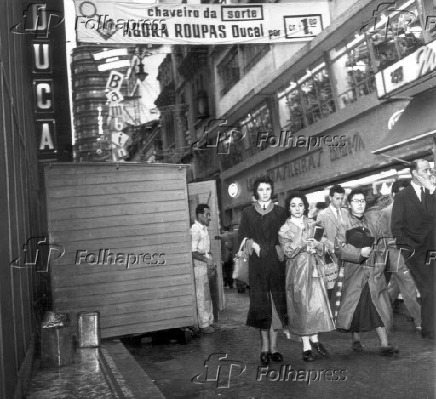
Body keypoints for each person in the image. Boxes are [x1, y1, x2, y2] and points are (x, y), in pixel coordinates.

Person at [333, 188, 397, 356]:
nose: (360, 204)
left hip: (373, 272)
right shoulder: (343, 224)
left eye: (362, 201)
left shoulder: (372, 222)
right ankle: (355, 338)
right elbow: (339, 249)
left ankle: (384, 344)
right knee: (357, 307)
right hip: (355, 272)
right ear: (349, 204)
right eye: (356, 201)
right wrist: (358, 254)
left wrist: (379, 260)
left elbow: (382, 243)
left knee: (377, 306)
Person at [279, 191, 335, 362]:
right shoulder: (284, 229)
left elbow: (325, 244)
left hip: (315, 269)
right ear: (289, 208)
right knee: (302, 307)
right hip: (296, 272)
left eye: (300, 205)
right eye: (293, 205)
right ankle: (306, 346)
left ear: (305, 206)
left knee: (317, 305)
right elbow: (287, 251)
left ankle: (316, 341)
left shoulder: (313, 223)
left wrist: (317, 244)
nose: (297, 208)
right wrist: (304, 241)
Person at [238, 176, 287, 365]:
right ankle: (264, 347)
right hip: (257, 266)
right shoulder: (248, 213)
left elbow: (285, 236)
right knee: (261, 306)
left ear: (272, 191)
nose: (265, 192)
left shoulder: (281, 212)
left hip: (276, 265)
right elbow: (242, 236)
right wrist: (252, 244)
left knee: (276, 306)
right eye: (261, 189)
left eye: (268, 189)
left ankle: (275, 348)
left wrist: (278, 249)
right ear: (255, 192)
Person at [392, 159, 435, 340]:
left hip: (432, 250)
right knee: (428, 288)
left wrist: (432, 191)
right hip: (415, 252)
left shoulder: (431, 193)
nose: (429, 174)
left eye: (430, 170)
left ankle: (428, 327)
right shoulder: (402, 197)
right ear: (415, 174)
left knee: (431, 289)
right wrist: (408, 249)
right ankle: (430, 330)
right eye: (425, 171)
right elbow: (396, 227)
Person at [381, 180, 421, 333]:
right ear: (394, 194)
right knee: (409, 288)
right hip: (396, 255)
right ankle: (420, 321)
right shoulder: (386, 213)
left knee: (395, 288)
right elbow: (381, 239)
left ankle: (383, 312)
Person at [316, 184, 348, 298]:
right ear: (330, 198)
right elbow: (318, 237)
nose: (340, 201)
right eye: (337, 198)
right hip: (331, 257)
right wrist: (329, 246)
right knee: (334, 288)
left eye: (342, 198)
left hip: (347, 255)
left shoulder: (346, 212)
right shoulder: (322, 215)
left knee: (346, 286)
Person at [191, 204, 218, 334]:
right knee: (202, 296)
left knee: (207, 295)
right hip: (199, 266)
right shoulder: (195, 230)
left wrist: (211, 262)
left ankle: (209, 321)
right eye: (207, 215)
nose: (209, 217)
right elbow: (193, 252)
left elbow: (206, 250)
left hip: (205, 265)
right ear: (200, 215)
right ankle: (203, 324)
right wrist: (206, 260)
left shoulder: (204, 229)